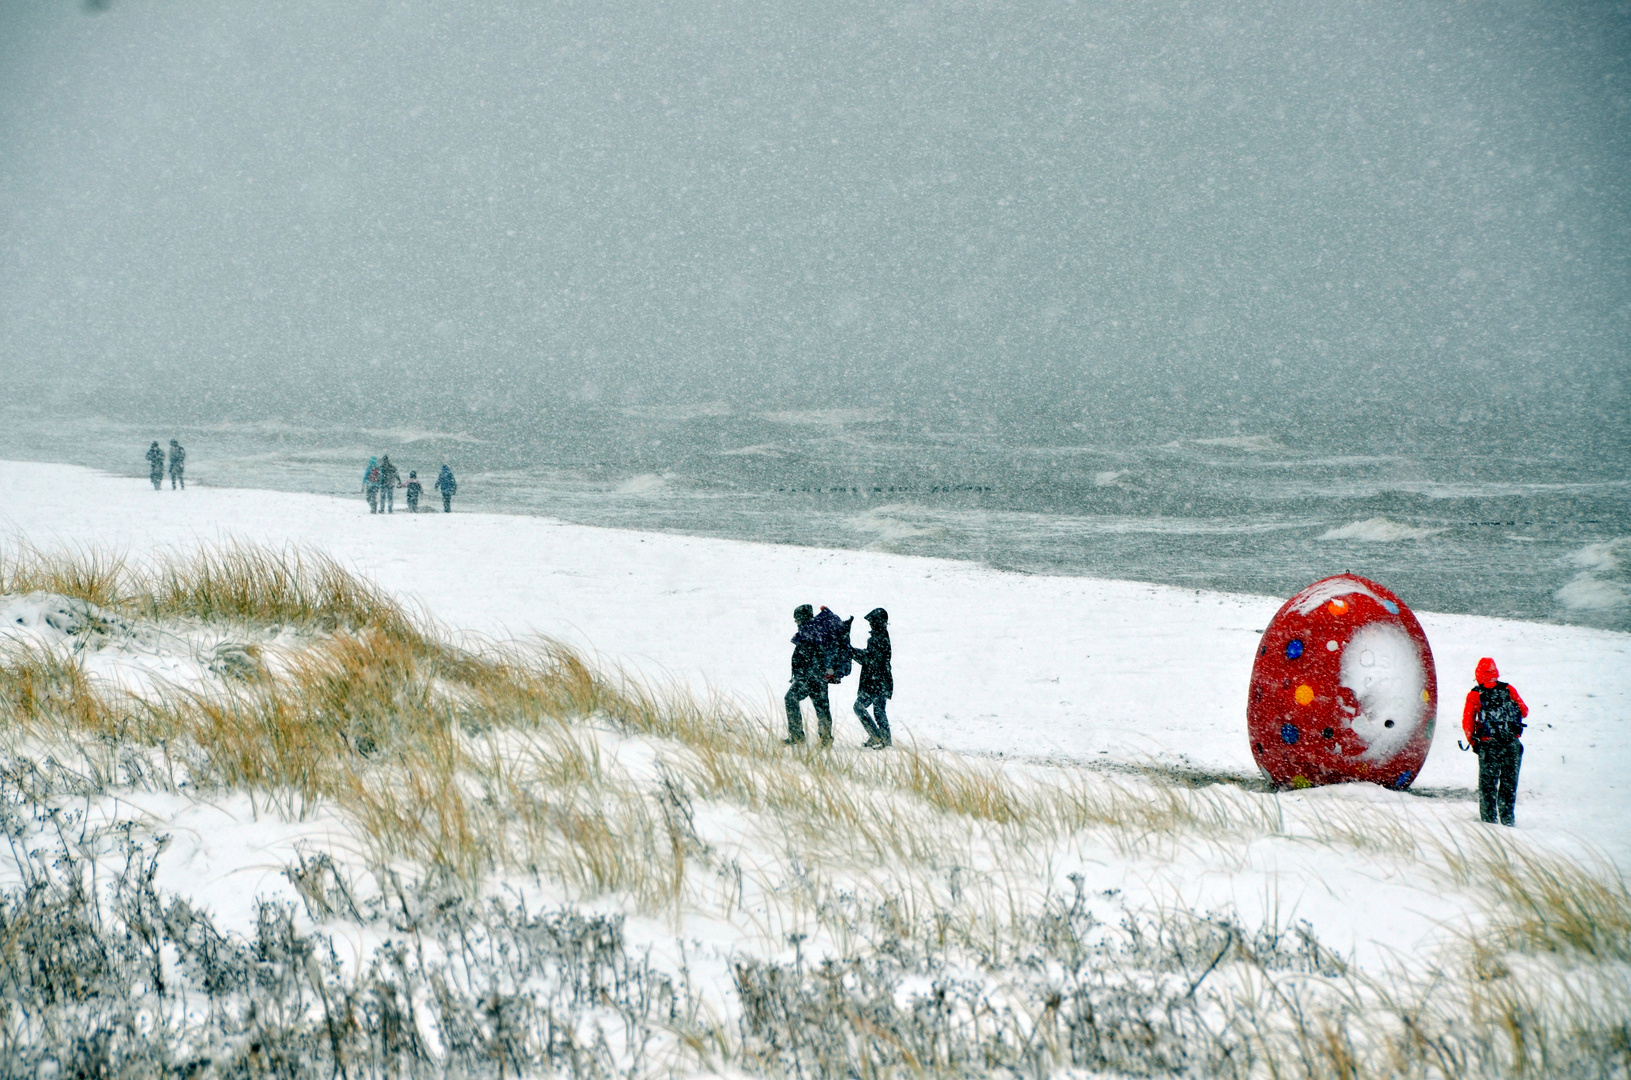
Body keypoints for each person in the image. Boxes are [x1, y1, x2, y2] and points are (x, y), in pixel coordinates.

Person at [1462, 657, 1528, 827]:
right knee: (1508, 785)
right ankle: (1507, 820)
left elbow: (1467, 723)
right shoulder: (1508, 689)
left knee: (1488, 787)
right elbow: (1525, 711)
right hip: (1511, 745)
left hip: (1488, 746)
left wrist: (1474, 742)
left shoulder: (1475, 694)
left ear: (1478, 674)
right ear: (1495, 672)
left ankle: (1489, 823)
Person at [784, 604, 834, 747]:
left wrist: (803, 674)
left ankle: (797, 736)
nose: (795, 622)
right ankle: (825, 739)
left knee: (790, 699)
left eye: (796, 618)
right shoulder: (816, 630)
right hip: (820, 677)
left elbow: (808, 657)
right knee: (822, 707)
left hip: (809, 677)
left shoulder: (809, 632)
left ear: (802, 618)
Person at [851, 607, 893, 749]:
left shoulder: (877, 639)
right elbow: (871, 657)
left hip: (875, 682)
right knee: (879, 710)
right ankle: (884, 739)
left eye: (872, 622)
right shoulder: (881, 637)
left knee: (860, 707)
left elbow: (869, 659)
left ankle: (877, 737)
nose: (870, 625)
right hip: (881, 680)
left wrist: (851, 651)